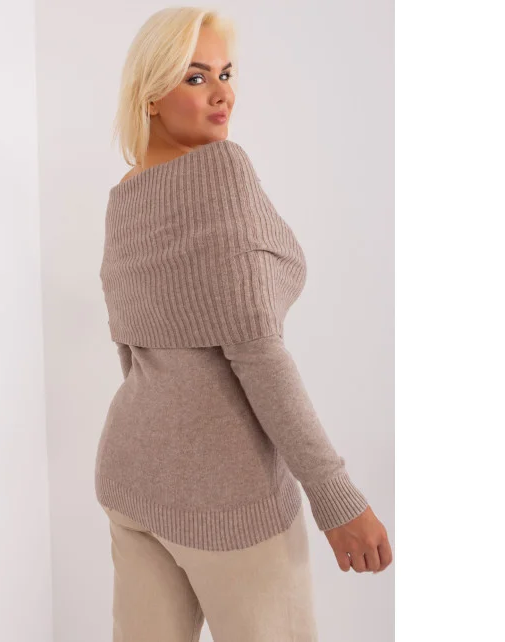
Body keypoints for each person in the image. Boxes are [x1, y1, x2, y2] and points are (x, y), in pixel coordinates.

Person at [94, 7, 393, 641]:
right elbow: (260, 355)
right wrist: (336, 497)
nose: (222, 93)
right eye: (196, 77)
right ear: (151, 95)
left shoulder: (124, 195)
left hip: (131, 478)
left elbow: (132, 350)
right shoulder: (222, 173)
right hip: (230, 503)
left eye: (225, 74)